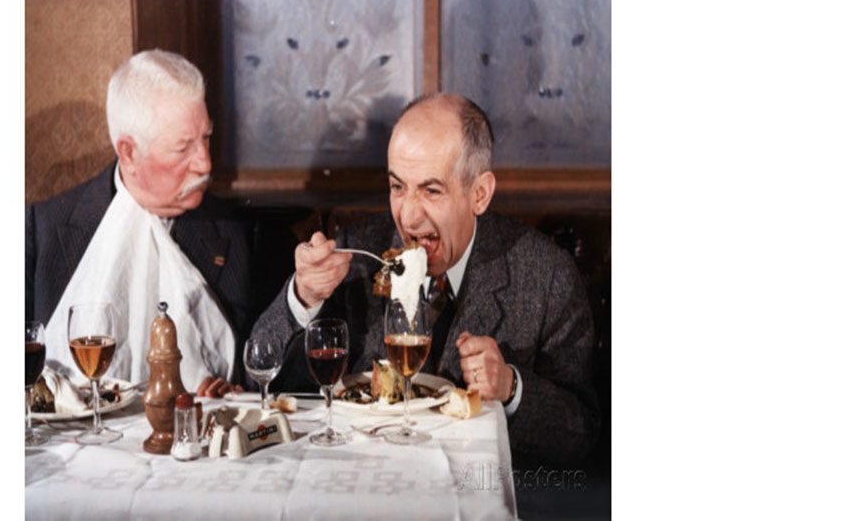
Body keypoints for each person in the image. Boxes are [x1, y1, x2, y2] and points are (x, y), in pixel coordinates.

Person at [249, 93, 599, 464]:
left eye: (432, 190)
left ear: (479, 194)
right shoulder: (356, 254)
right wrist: (303, 297)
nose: (409, 217)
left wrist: (512, 390)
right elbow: (263, 374)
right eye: (398, 187)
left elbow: (581, 433)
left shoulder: (546, 275)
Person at [26, 49, 246, 397]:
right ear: (128, 153)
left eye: (205, 138)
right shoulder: (44, 229)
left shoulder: (231, 231)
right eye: (183, 148)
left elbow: (255, 367)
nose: (204, 164)